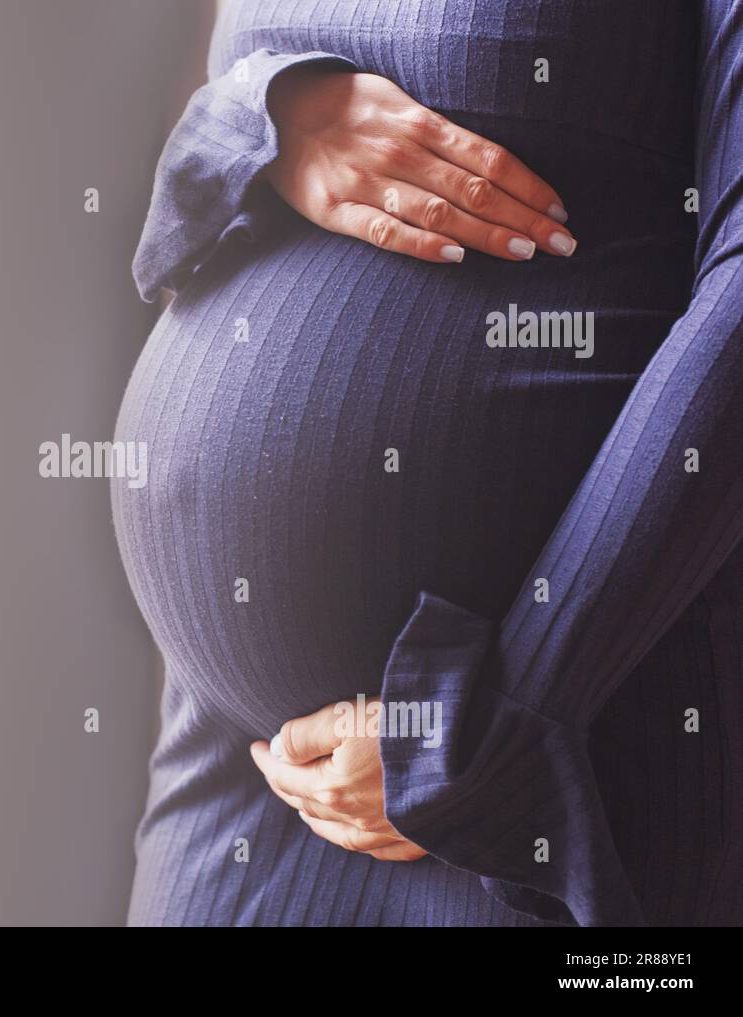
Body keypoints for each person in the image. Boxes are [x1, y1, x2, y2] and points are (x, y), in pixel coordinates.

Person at [111, 0, 743, 926]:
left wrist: (495, 732)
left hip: (550, 751)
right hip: (243, 756)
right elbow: (194, 180)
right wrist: (271, 114)